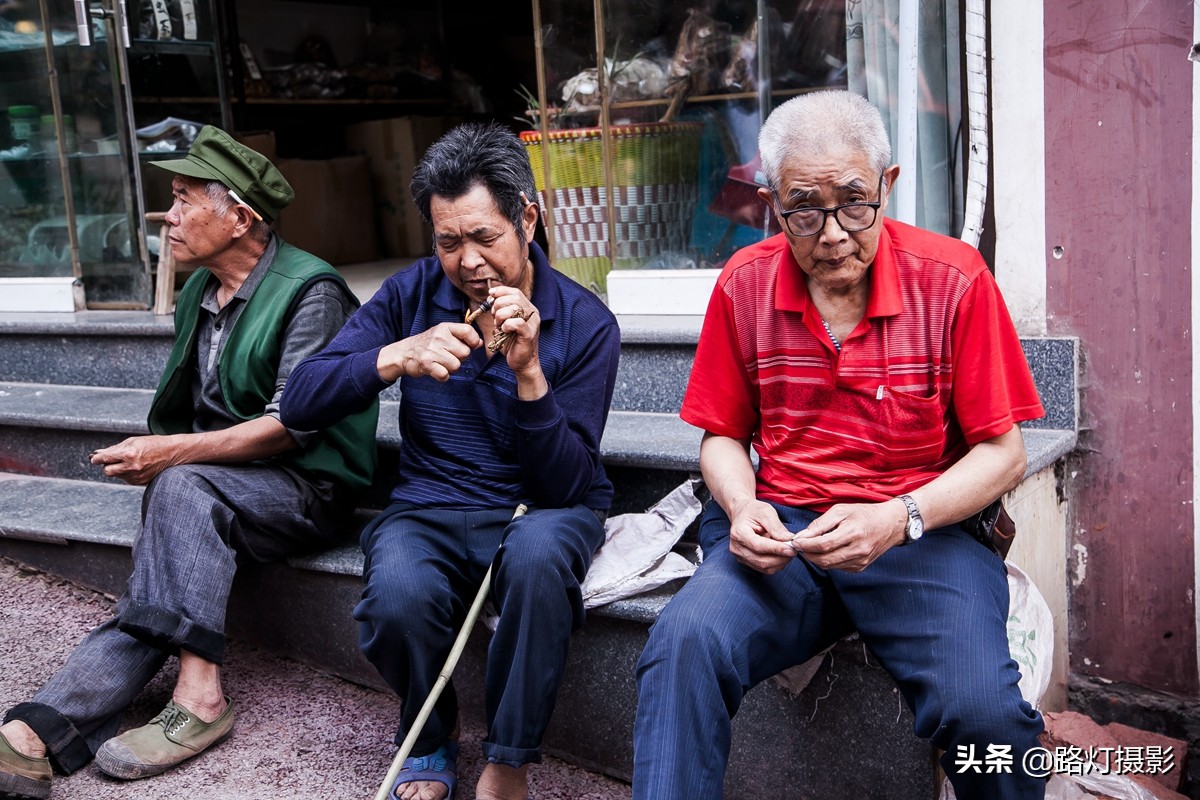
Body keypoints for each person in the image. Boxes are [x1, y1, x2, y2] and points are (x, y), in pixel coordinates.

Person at [632, 90, 1047, 800]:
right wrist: (739, 507)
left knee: (986, 715)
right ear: (770, 202)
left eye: (855, 202)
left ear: (887, 186)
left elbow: (1003, 454)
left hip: (921, 535)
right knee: (682, 646)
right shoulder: (744, 283)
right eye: (803, 208)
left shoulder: (954, 280)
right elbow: (723, 437)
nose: (831, 233)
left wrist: (898, 517)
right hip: (787, 534)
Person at [0, 125, 378, 800]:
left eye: (182, 198)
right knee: (175, 520)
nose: (167, 216)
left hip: (306, 489)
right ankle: (45, 730)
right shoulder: (197, 295)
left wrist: (171, 452)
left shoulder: (310, 291)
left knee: (181, 484)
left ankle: (198, 696)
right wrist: (179, 459)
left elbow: (293, 428)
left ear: (240, 215)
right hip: (213, 490)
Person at [280, 121, 620, 800]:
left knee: (538, 559)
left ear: (527, 219)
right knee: (398, 595)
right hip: (430, 506)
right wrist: (393, 356)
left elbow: (567, 481)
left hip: (543, 509)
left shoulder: (585, 323)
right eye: (448, 242)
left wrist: (529, 376)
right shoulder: (410, 296)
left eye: (484, 238)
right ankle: (430, 740)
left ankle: (509, 758)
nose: (467, 261)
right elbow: (299, 400)